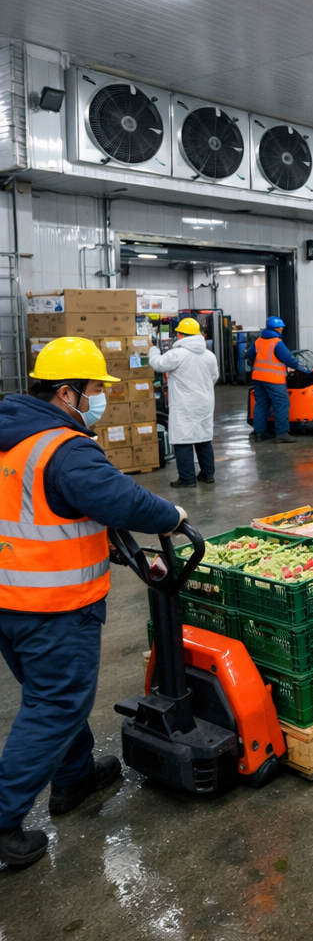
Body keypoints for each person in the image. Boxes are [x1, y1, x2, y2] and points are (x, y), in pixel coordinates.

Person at [0, 338, 186, 868]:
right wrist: (170, 516)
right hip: (53, 604)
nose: (97, 400)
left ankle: (75, 776)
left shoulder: (11, 435)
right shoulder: (62, 446)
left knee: (49, 695)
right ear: (66, 393)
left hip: (8, 601)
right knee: (55, 704)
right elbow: (117, 498)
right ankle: (3, 818)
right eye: (92, 391)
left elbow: (47, 511)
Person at [148, 317, 220, 488]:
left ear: (180, 335)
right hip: (204, 402)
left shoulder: (177, 354)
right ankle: (208, 474)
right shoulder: (209, 355)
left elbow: (158, 364)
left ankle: (187, 479)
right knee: (203, 439)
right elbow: (214, 377)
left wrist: (153, 351)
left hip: (184, 404)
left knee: (183, 440)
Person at [245, 316, 311, 444]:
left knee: (261, 405)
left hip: (258, 378)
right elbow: (289, 360)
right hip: (274, 379)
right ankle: (282, 433)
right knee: (281, 404)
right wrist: (304, 369)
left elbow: (250, 355)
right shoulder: (277, 343)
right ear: (279, 329)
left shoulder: (258, 340)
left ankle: (260, 433)